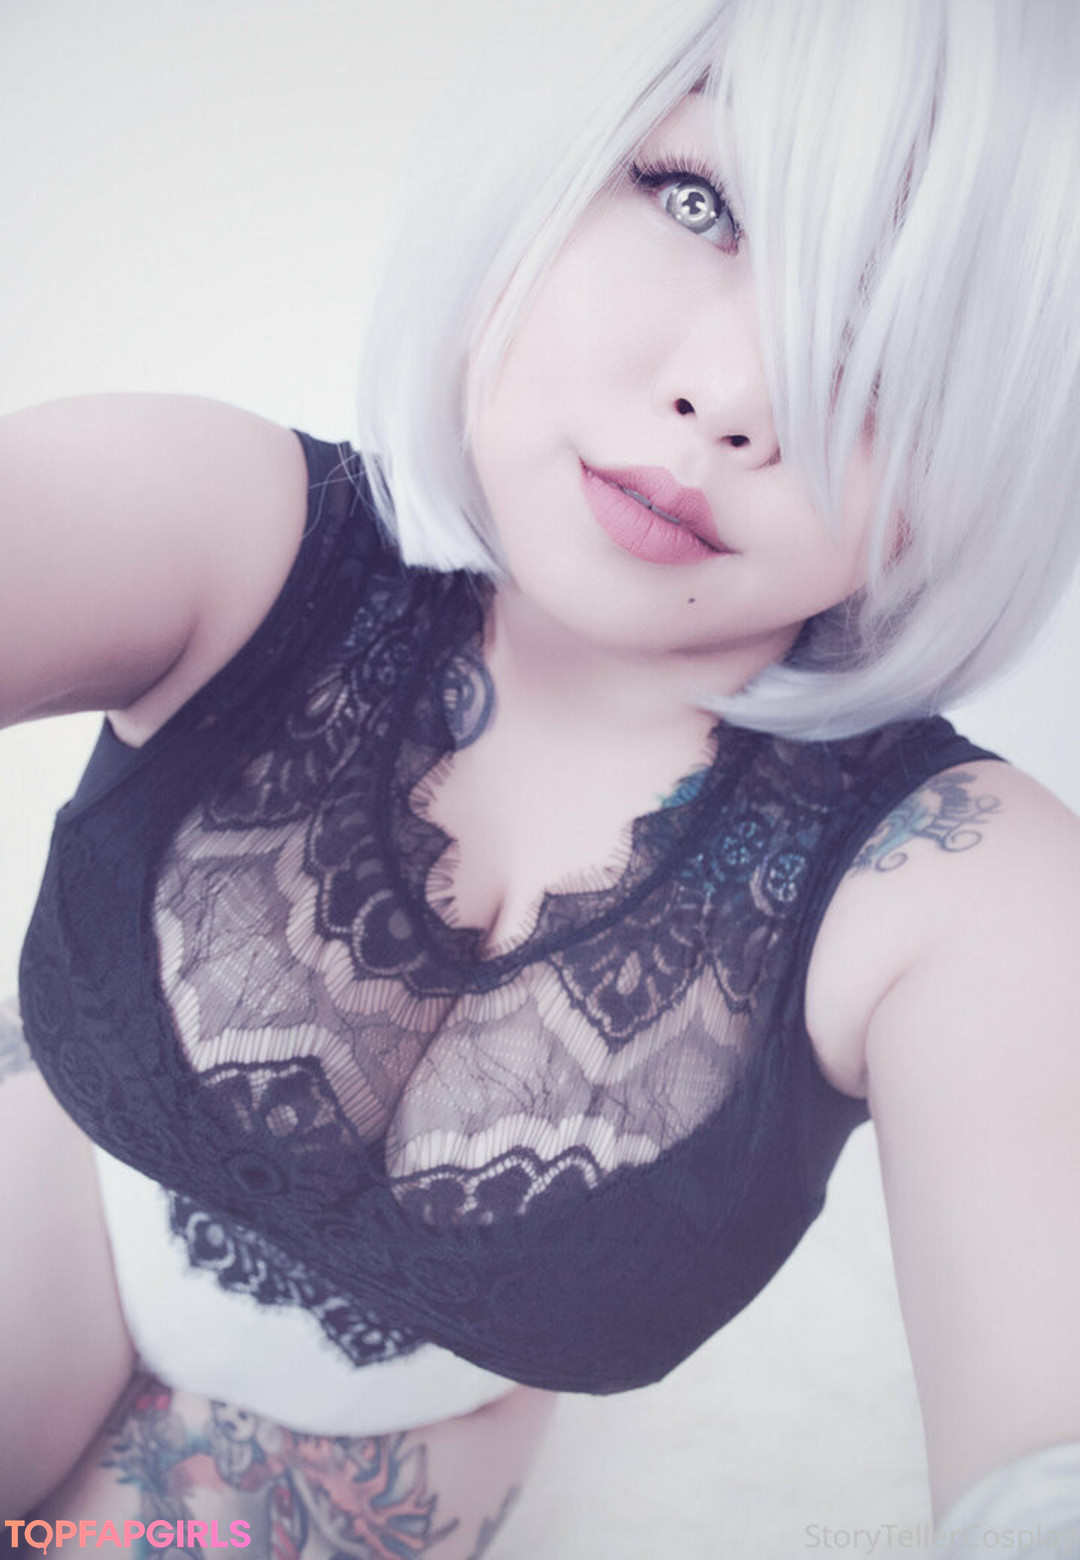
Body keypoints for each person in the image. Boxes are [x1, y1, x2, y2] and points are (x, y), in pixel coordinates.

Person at [2, 0, 1079, 1554]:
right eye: (700, 202)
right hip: (68, 1192)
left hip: (401, 1429)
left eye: (900, 331)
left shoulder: (965, 890)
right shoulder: (222, 527)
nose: (736, 393)